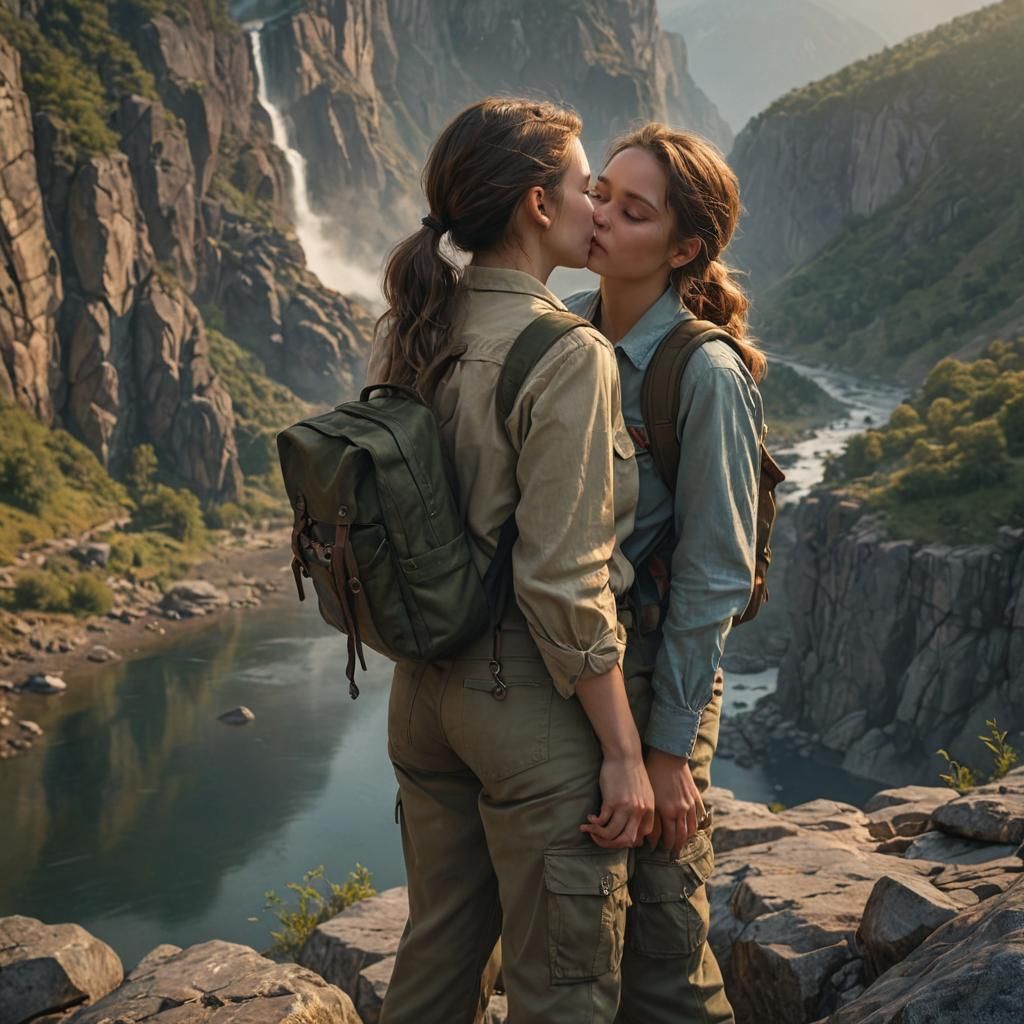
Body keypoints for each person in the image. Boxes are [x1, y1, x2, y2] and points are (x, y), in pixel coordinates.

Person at [367, 98, 655, 1024]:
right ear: (538, 204)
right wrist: (622, 750)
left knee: (435, 964)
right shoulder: (568, 351)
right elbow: (563, 581)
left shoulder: (416, 322)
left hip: (421, 698)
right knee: (562, 991)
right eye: (584, 188)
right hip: (527, 711)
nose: (595, 208)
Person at [566, 123, 766, 1024]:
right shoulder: (565, 332)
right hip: (580, 670)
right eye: (601, 192)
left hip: (657, 675)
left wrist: (666, 752)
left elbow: (715, 575)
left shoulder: (703, 372)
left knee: (661, 943)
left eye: (632, 209)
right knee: (577, 931)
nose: (601, 215)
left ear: (685, 250)